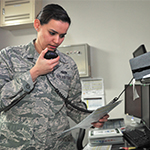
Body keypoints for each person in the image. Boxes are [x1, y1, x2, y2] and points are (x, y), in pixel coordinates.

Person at [0, 4, 109, 150]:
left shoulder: (68, 64)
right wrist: (34, 72)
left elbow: (73, 106)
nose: (57, 41)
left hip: (59, 146)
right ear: (37, 25)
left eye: (62, 36)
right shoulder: (9, 56)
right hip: (19, 145)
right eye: (52, 33)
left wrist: (91, 118)